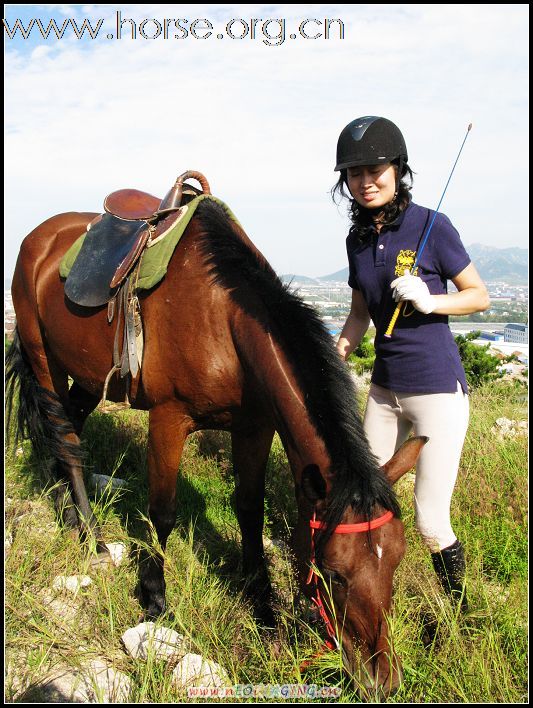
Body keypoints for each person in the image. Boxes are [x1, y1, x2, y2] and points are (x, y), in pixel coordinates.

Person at [333, 116, 490, 611]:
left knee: (429, 520)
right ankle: (373, 594)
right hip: (383, 391)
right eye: (354, 173)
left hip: (436, 392)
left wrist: (430, 301)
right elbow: (360, 316)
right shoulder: (356, 241)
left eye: (375, 169)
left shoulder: (431, 226)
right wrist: (336, 352)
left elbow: (479, 296)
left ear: (397, 169)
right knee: (364, 501)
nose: (365, 181)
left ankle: (462, 614)